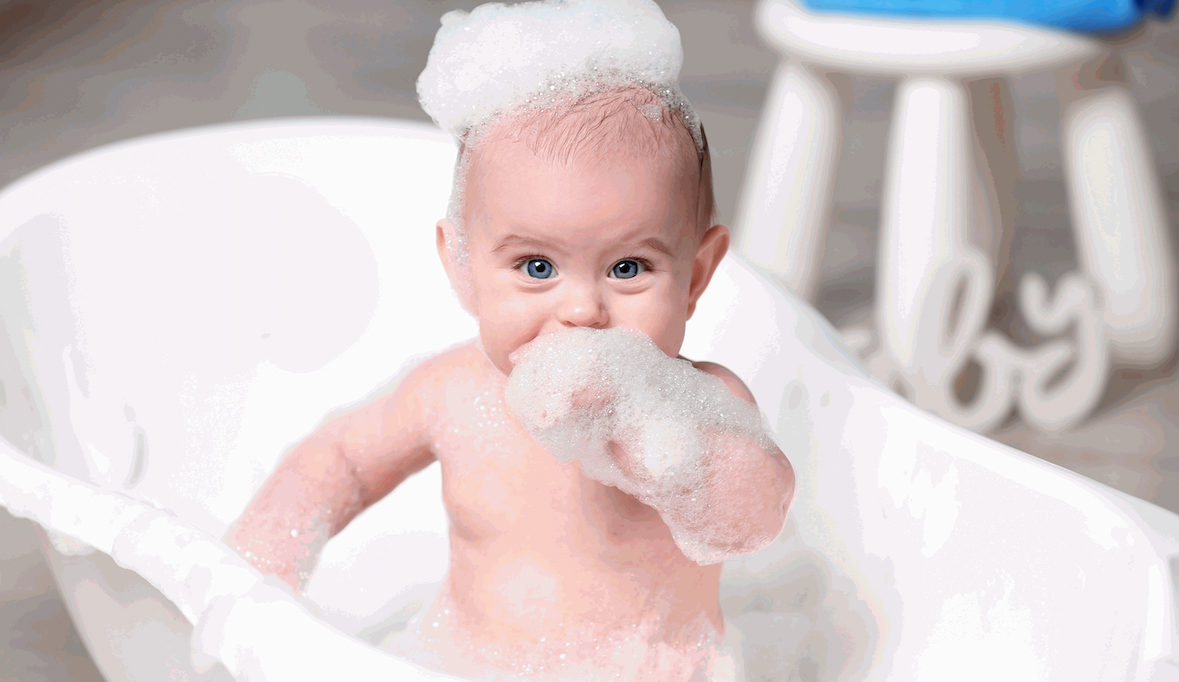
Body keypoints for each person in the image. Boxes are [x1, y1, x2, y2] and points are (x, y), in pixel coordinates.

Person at [225, 2, 794, 679]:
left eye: (628, 268)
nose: (582, 308)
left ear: (695, 275)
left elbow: (749, 516)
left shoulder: (702, 405)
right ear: (462, 265)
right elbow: (341, 462)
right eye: (536, 268)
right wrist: (255, 575)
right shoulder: (450, 393)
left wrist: (664, 444)